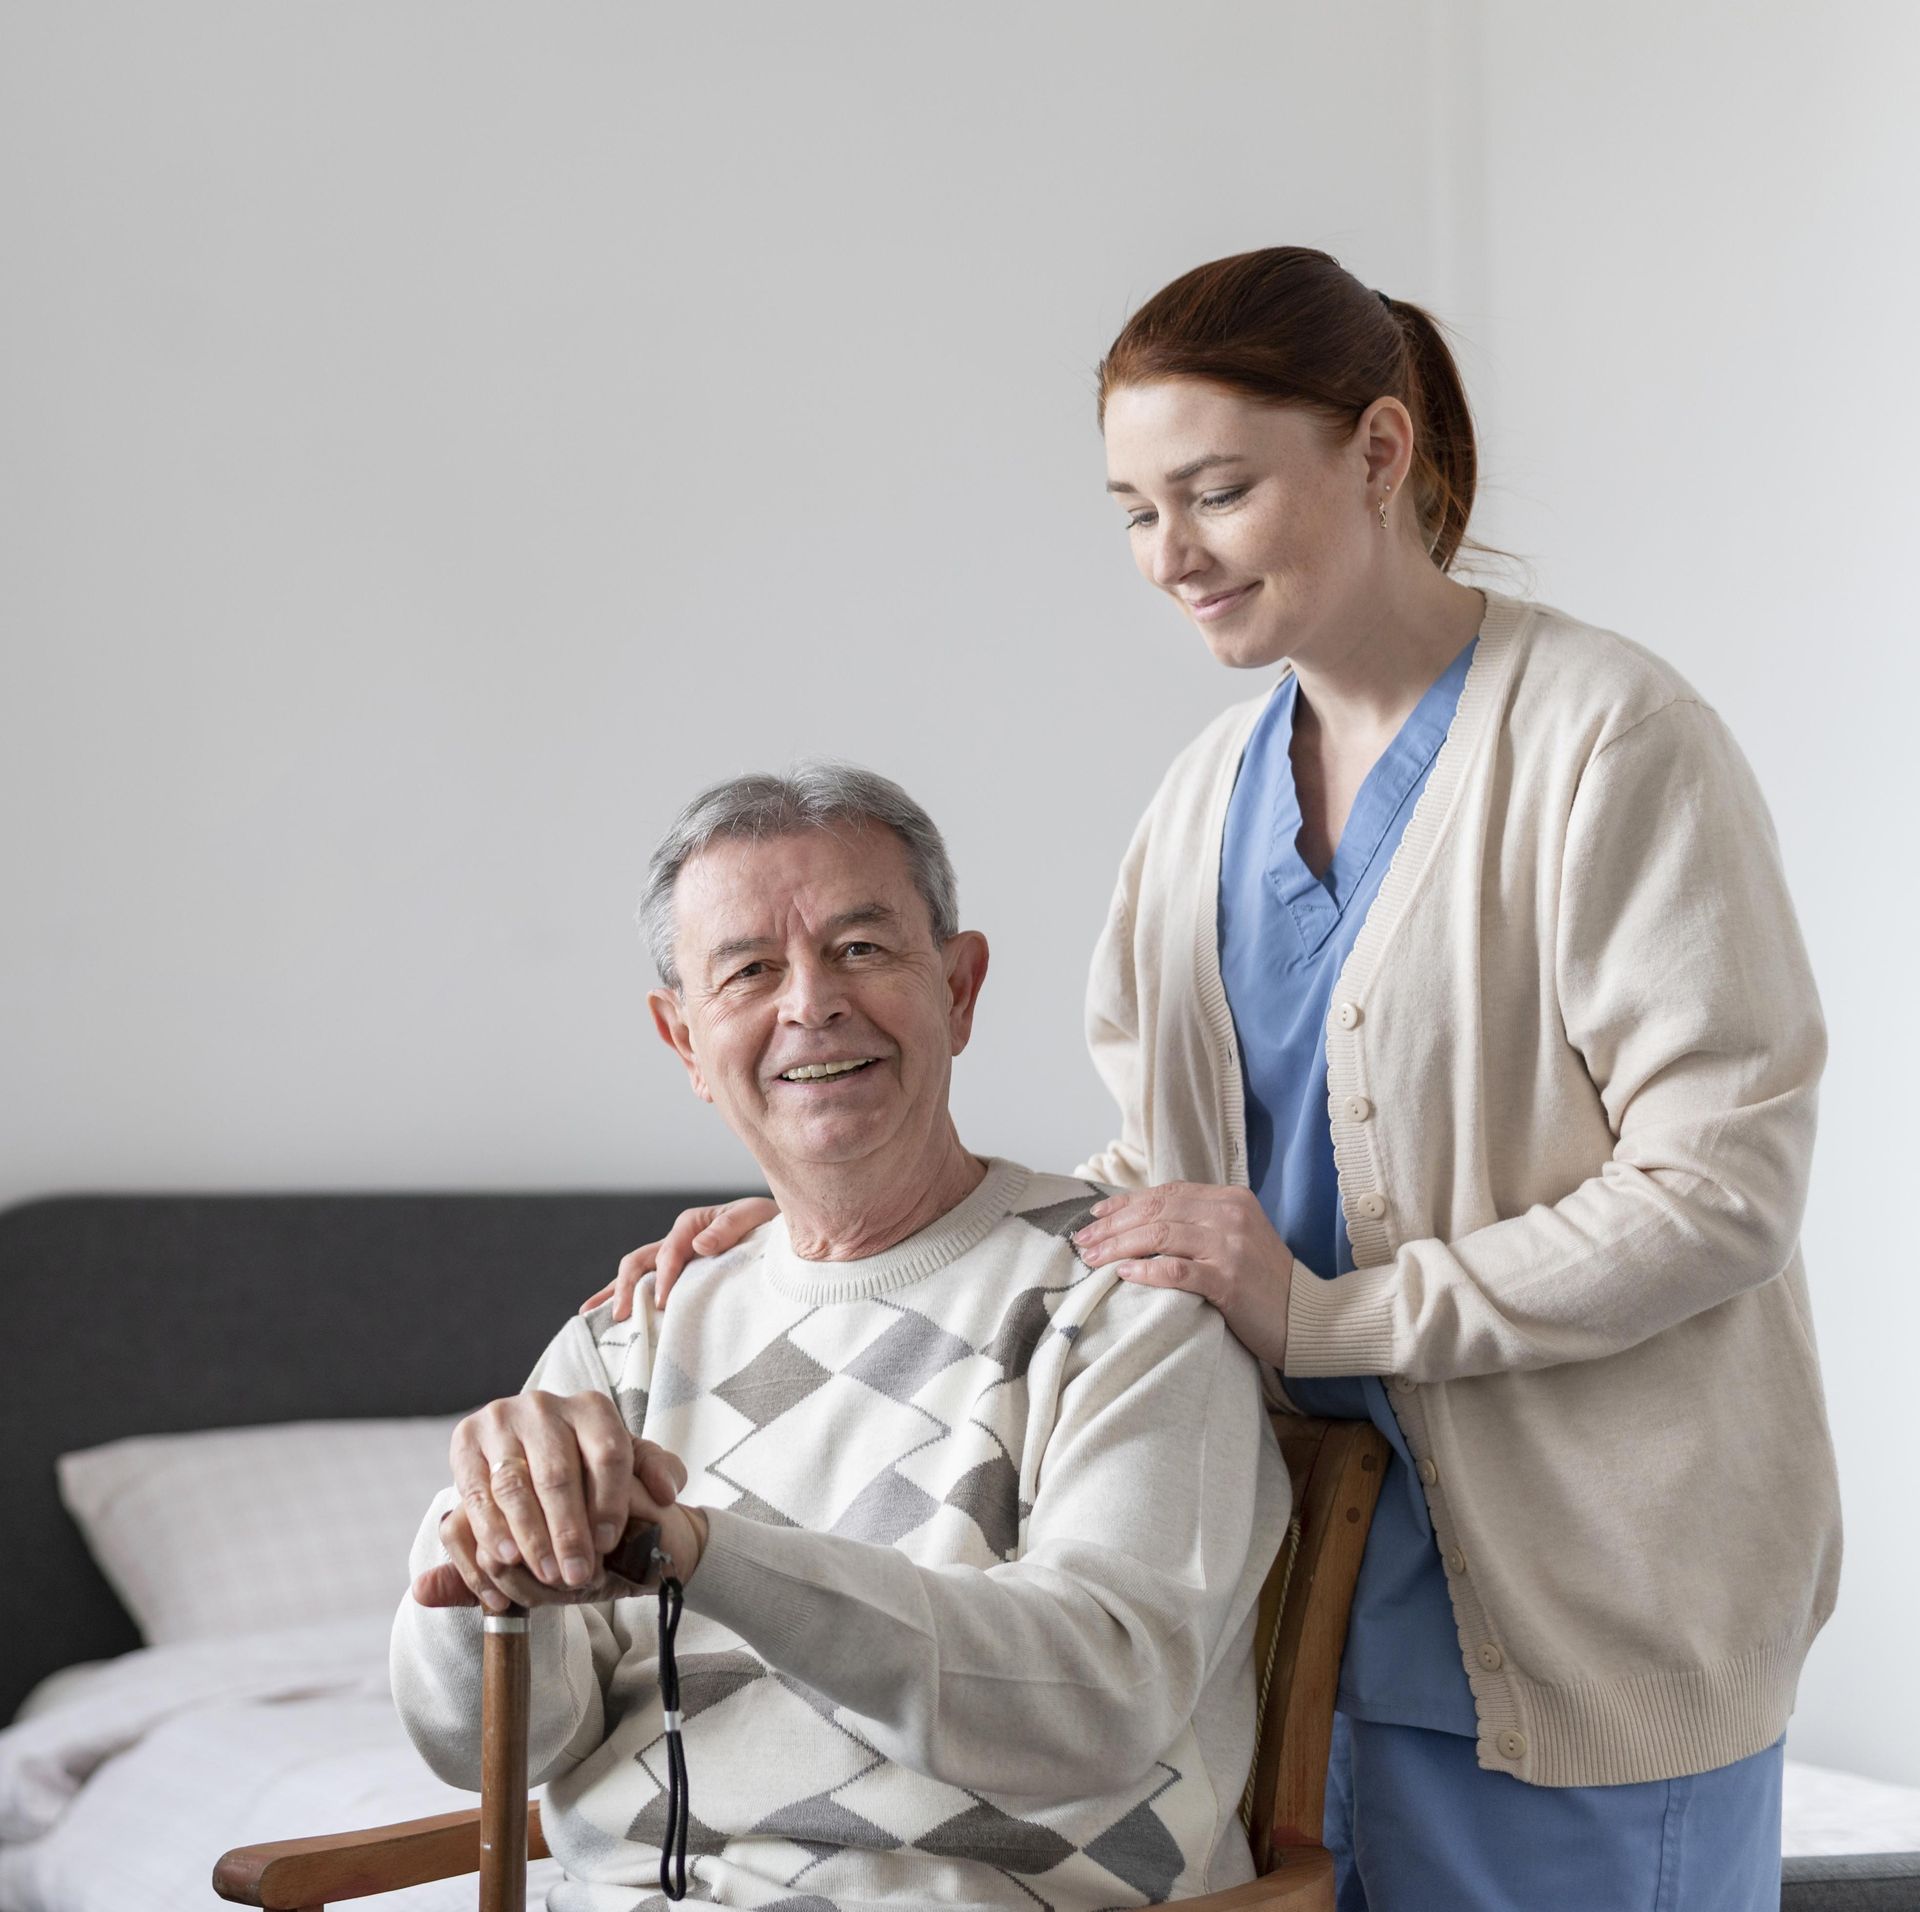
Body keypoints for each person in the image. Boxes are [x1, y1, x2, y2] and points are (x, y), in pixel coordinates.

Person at [588, 248, 1841, 1911]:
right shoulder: (1203, 801)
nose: (1169, 556)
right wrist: (828, 1197)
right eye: (1131, 510)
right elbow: (1153, 1201)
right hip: (1289, 1624)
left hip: (1589, 1603)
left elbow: (1721, 1191)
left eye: (1217, 492)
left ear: (1379, 453)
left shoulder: (1606, 741)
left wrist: (1331, 1318)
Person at [394, 765, 1291, 1912]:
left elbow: (1098, 1698)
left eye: (862, 949)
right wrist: (484, 1546)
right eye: (750, 970)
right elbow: (506, 1743)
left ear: (960, 988)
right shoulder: (630, 1333)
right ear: (682, 1037)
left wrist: (707, 1555)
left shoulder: (1122, 1300)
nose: (810, 1003)